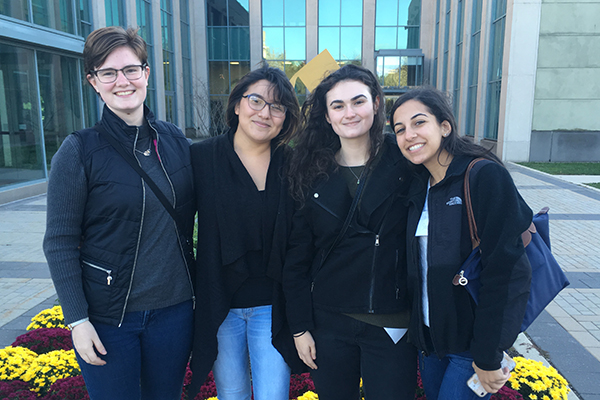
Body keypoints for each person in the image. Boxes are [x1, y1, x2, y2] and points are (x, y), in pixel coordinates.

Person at [43, 26, 195, 400]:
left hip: (174, 313)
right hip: (110, 319)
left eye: (130, 70)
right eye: (107, 72)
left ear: (146, 74)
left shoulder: (176, 141)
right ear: (94, 82)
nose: (121, 81)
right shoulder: (79, 151)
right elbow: (59, 243)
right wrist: (77, 320)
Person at [283, 64, 416, 400]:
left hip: (392, 323)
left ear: (376, 103)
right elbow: (297, 258)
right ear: (327, 117)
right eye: (338, 106)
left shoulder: (406, 162)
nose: (349, 113)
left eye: (358, 102)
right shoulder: (311, 172)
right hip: (330, 324)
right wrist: (300, 327)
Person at [390, 87, 532, 400]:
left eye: (418, 123)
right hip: (431, 343)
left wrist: (488, 353)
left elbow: (506, 271)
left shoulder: (483, 176)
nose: (409, 135)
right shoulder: (417, 186)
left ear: (445, 126)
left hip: (471, 347)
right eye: (399, 130)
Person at [188, 66, 304, 400]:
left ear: (285, 118)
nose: (265, 113)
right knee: (232, 393)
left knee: (273, 394)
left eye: (277, 106)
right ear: (237, 104)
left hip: (273, 306)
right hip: (221, 304)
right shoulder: (200, 158)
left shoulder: (293, 164)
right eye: (256, 100)